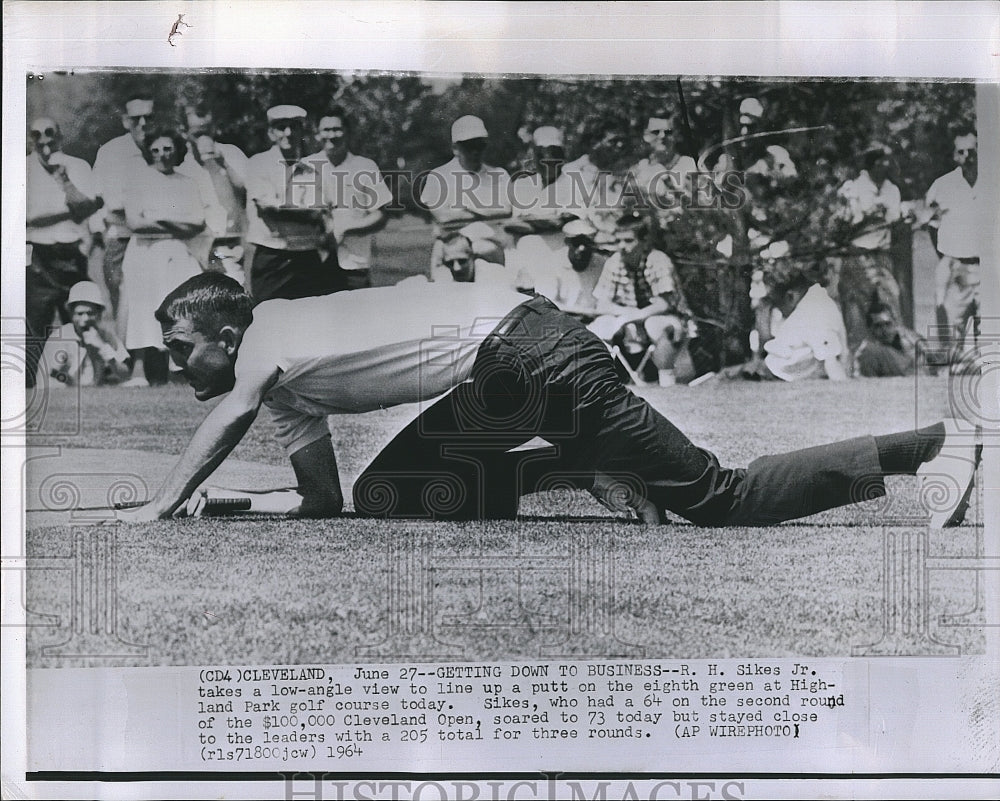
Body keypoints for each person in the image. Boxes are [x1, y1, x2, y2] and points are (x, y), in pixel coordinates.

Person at [119, 271, 978, 532]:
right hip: (511, 371)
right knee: (388, 494)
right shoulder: (280, 377)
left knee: (721, 498)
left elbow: (228, 415)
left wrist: (156, 507)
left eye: (179, 344)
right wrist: (231, 498)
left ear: (224, 333)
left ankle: (935, 445)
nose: (172, 359)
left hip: (535, 359)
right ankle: (580, 462)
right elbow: (324, 500)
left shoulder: (268, 331)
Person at [119, 130, 207, 386]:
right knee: (143, 308)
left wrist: (159, 218)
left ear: (177, 151)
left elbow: (198, 222)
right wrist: (178, 224)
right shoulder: (138, 181)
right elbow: (135, 222)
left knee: (178, 308)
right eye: (156, 150)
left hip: (178, 252)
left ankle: (177, 368)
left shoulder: (187, 183)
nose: (162, 155)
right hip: (145, 253)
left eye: (168, 149)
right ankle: (139, 371)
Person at [26, 116, 104, 386]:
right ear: (30, 139)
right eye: (37, 135)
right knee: (36, 325)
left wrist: (66, 182)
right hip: (37, 255)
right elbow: (27, 218)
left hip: (72, 253)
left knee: (82, 320)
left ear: (59, 136)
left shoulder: (78, 167)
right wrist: (75, 209)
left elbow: (92, 210)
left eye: (50, 133)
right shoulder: (22, 169)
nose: (44, 140)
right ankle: (29, 386)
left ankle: (91, 379)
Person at [588, 213, 693, 386]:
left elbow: (664, 304)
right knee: (601, 325)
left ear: (644, 242)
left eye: (629, 241)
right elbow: (602, 304)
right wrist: (626, 315)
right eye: (618, 241)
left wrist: (632, 315)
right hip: (629, 318)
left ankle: (668, 381)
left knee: (656, 325)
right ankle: (601, 382)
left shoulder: (657, 260)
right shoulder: (614, 261)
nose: (622, 246)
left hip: (669, 318)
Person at [245, 105, 331, 303]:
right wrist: (309, 214)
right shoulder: (259, 163)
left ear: (302, 131)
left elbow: (321, 209)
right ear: (271, 133)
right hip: (273, 255)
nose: (288, 133)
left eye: (294, 127)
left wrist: (299, 211)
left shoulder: (313, 168)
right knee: (267, 316)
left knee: (309, 318)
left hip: (307, 255)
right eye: (281, 127)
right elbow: (267, 208)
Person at [309, 106, 393, 290]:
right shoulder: (306, 166)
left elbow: (380, 215)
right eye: (326, 130)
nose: (331, 135)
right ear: (317, 134)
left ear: (347, 132)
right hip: (312, 264)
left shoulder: (365, 166)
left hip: (354, 263)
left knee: (357, 317)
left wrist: (345, 229)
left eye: (337, 129)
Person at [832, 146, 904, 351]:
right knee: (857, 305)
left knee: (890, 298)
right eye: (882, 161)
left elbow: (893, 219)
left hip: (881, 255)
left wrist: (876, 213)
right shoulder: (853, 188)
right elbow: (851, 221)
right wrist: (871, 213)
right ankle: (858, 356)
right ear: (873, 163)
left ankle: (894, 355)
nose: (887, 165)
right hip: (857, 254)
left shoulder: (892, 189)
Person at [93, 96, 157, 319]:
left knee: (156, 299)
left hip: (159, 236)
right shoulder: (111, 152)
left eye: (148, 118)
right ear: (124, 121)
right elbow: (114, 204)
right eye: (135, 119)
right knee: (123, 304)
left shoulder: (165, 148)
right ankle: (127, 354)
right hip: (122, 238)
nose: (142, 124)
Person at [420, 115, 512, 268]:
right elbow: (444, 217)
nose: (475, 151)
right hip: (451, 252)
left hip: (490, 250)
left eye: (480, 145)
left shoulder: (499, 174)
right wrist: (488, 211)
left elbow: (507, 211)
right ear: (455, 148)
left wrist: (466, 207)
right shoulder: (438, 176)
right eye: (469, 145)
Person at [924, 131, 980, 360]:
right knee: (952, 322)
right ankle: (955, 366)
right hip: (958, 266)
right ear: (954, 155)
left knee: (989, 323)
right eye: (961, 151)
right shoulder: (943, 185)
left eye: (972, 150)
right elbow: (931, 223)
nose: (967, 155)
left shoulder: (993, 182)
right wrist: (946, 257)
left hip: (989, 266)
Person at [178, 103, 249, 277]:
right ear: (184, 132)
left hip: (233, 249)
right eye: (197, 134)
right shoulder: (180, 166)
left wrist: (223, 164)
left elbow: (249, 192)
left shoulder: (232, 154)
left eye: (207, 132)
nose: (203, 138)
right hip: (198, 252)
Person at [34, 281, 130, 388]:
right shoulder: (60, 337)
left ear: (99, 314)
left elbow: (125, 374)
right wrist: (69, 380)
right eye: (80, 314)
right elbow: (50, 375)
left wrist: (102, 346)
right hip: (63, 391)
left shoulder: (106, 336)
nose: (85, 319)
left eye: (90, 313)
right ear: (71, 314)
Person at [761, 274, 849, 382]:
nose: (781, 312)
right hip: (789, 370)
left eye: (780, 305)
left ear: (790, 296)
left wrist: (840, 381)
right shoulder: (812, 303)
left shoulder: (813, 308)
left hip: (802, 372)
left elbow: (830, 358)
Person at [626, 111, 698, 209]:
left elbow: (650, 165)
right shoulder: (682, 175)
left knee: (653, 136)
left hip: (662, 151)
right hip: (672, 151)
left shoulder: (653, 180)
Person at [854, 301, 929, 378]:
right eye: (878, 326)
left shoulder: (909, 337)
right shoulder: (869, 352)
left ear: (895, 323)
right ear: (870, 329)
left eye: (888, 324)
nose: (884, 330)